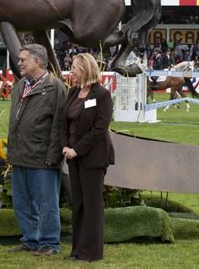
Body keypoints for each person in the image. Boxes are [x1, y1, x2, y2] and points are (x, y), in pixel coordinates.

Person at [7, 44, 67, 256]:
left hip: (42, 158)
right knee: (22, 203)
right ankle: (30, 239)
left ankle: (50, 242)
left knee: (46, 204)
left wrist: (53, 156)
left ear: (38, 61)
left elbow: (60, 125)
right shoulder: (21, 84)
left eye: (23, 59)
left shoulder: (55, 87)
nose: (19, 63)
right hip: (20, 156)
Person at [61, 53, 114, 262]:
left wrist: (77, 150)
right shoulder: (73, 92)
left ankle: (91, 252)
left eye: (74, 67)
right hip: (73, 156)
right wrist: (65, 145)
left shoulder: (101, 95)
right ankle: (77, 250)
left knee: (92, 205)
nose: (71, 70)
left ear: (85, 69)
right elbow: (64, 121)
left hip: (92, 158)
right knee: (79, 204)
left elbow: (100, 128)